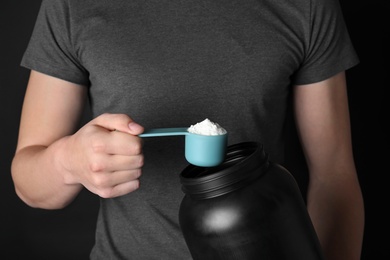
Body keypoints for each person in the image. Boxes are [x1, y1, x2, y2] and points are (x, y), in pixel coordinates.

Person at [11, 0, 364, 259]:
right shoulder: (71, 6)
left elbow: (334, 176)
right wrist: (66, 162)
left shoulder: (310, 6)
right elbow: (28, 182)